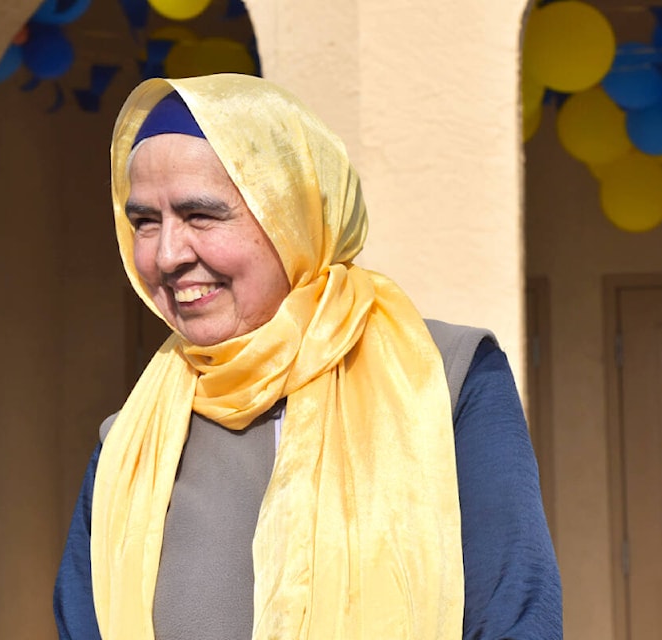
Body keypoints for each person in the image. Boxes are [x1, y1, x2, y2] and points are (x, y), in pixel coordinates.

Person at [53, 73, 562, 640]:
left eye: (200, 215)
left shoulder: (446, 376)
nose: (167, 255)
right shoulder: (129, 445)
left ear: (293, 215)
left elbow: (515, 615)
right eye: (145, 222)